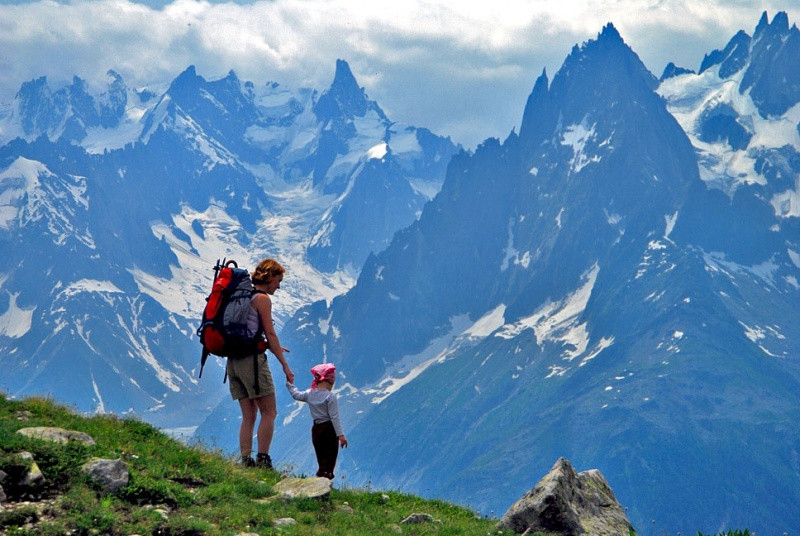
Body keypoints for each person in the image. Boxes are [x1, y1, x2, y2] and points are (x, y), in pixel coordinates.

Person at [228, 258, 294, 469]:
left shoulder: (239, 295)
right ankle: (263, 459)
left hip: (233, 361)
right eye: (278, 280)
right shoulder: (262, 299)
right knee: (269, 412)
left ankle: (246, 461)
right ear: (270, 276)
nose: (279, 285)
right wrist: (284, 364)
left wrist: (267, 345)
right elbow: (270, 332)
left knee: (248, 415)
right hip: (252, 363)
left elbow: (248, 330)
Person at [286, 363, 348, 479]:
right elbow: (334, 417)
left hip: (316, 429)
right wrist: (341, 435)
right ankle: (327, 478)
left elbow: (296, 395)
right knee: (330, 455)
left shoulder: (310, 393)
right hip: (329, 429)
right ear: (329, 380)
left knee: (320, 454)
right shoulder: (330, 397)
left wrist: (290, 384)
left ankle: (320, 474)